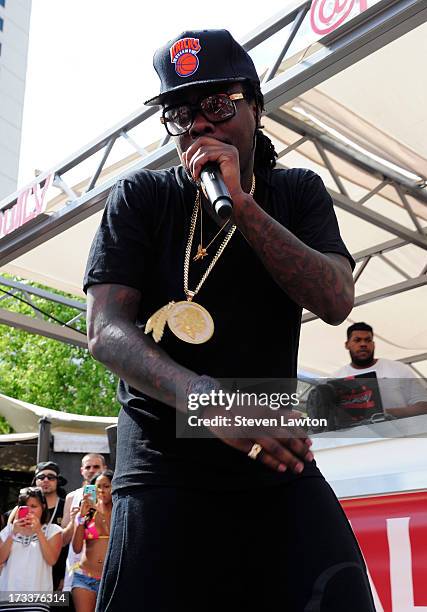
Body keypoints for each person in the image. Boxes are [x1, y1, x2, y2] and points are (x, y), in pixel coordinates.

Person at [84, 29, 375, 611]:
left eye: (217, 105)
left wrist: (243, 207)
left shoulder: (296, 191)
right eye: (181, 113)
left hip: (274, 448)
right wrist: (209, 402)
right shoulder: (141, 195)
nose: (199, 126)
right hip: (166, 460)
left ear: (257, 107)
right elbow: (106, 332)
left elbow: (337, 299)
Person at [333, 322, 427, 417]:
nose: (363, 344)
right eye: (357, 340)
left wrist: (384, 414)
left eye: (368, 340)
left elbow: (423, 405)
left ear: (373, 344)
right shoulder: (336, 378)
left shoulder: (398, 369)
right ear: (347, 344)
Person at [0, 487, 62, 608]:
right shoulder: (8, 531)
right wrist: (13, 533)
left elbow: (52, 560)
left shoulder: (53, 530)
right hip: (7, 601)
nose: (30, 511)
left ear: (43, 507)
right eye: (25, 506)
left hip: (37, 603)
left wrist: (38, 531)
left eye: (34, 506)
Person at [61, 455, 107, 595]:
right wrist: (75, 520)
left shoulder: (111, 498)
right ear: (82, 470)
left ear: (104, 468)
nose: (92, 470)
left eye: (96, 466)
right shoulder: (72, 497)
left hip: (105, 571)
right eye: (88, 467)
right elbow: (63, 540)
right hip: (77, 571)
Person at [71, 471, 113, 612]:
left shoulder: (119, 511)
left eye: (106, 486)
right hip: (84, 578)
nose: (101, 490)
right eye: (97, 487)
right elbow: (76, 548)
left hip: (110, 580)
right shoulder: (86, 513)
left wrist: (99, 511)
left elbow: (113, 532)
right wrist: (80, 518)